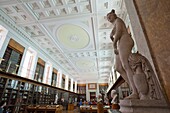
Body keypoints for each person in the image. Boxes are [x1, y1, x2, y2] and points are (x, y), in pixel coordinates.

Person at [107, 9, 138, 99]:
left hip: (125, 40)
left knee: (126, 65)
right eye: (107, 18)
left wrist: (114, 45)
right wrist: (112, 37)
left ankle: (136, 92)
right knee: (118, 67)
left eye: (110, 16)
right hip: (120, 43)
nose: (108, 18)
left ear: (114, 14)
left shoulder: (118, 20)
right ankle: (133, 88)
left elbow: (119, 32)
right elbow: (113, 33)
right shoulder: (115, 24)